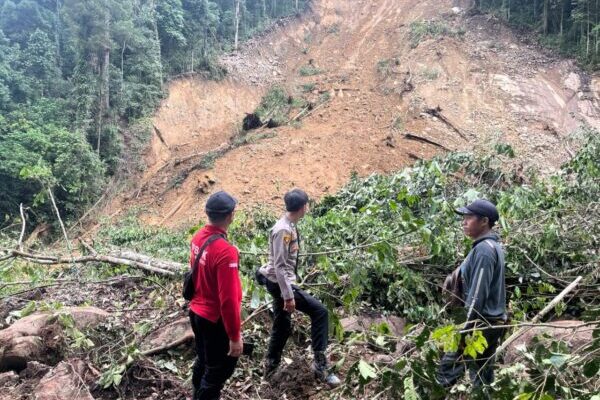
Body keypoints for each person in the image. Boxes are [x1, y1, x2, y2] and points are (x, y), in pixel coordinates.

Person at [257, 188, 341, 387]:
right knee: (319, 311)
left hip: (279, 281)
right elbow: (279, 265)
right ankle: (320, 367)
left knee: (283, 325)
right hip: (279, 283)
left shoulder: (289, 225)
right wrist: (288, 296)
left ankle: (270, 367)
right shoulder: (283, 230)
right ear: (303, 207)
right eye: (308, 204)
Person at [437, 199, 507, 392]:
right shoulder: (489, 247)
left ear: (484, 221)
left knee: (447, 370)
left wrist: (463, 331)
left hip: (480, 324)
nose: (464, 222)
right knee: (482, 380)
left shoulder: (484, 250)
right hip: (492, 322)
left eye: (469, 218)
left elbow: (477, 294)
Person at [188, 191, 243, 400]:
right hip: (213, 319)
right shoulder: (225, 251)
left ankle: (196, 393)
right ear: (230, 215)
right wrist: (235, 337)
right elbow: (228, 301)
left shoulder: (198, 237)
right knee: (218, 371)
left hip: (196, 313)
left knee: (204, 361)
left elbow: (194, 271)